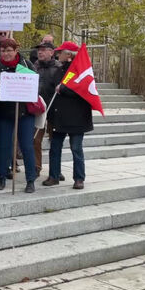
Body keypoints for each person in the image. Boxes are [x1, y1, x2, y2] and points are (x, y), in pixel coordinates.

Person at [0, 38, 38, 193]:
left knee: (27, 146)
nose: (6, 53)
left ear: (16, 50)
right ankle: (2, 176)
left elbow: (37, 84)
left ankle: (30, 179)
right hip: (3, 111)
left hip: (24, 112)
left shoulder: (26, 65)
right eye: (3, 50)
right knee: (3, 146)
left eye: (9, 50)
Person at [44, 41, 92, 190]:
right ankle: (54, 175)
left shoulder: (82, 70)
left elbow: (83, 91)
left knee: (76, 148)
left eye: (61, 52)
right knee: (55, 147)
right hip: (59, 117)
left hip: (77, 118)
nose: (58, 55)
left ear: (69, 55)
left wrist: (64, 89)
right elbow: (54, 88)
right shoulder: (60, 70)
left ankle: (79, 178)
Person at [32, 40, 63, 178]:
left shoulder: (59, 68)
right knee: (35, 139)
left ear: (52, 52)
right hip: (38, 109)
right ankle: (36, 167)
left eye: (44, 49)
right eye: (39, 49)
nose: (40, 52)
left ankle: (56, 170)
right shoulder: (33, 67)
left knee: (55, 141)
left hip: (54, 109)